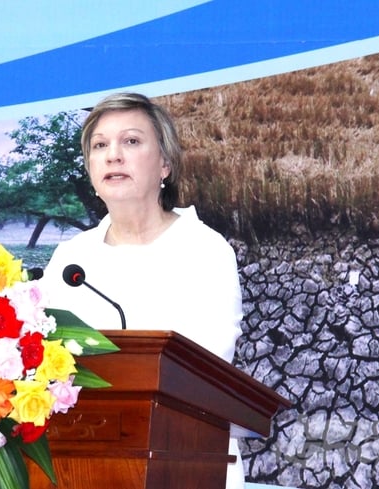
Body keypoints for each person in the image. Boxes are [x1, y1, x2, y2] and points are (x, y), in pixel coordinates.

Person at [40, 92, 245, 489]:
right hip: (80, 466)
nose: (113, 155)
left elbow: (205, 372)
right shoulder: (70, 259)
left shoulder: (205, 250)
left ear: (165, 164)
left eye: (131, 141)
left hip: (184, 460)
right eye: (100, 146)